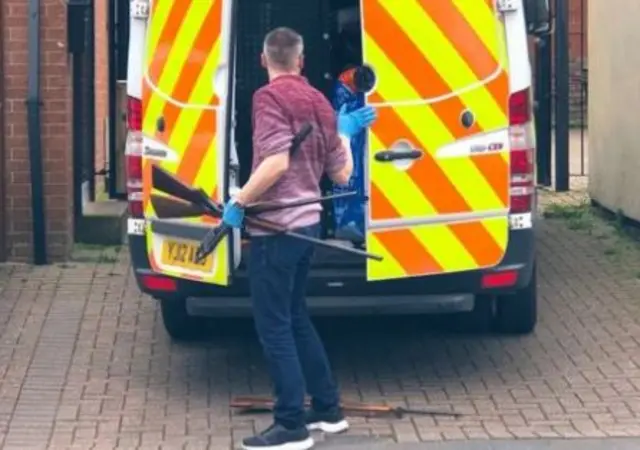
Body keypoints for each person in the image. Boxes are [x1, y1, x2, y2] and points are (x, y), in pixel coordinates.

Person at [221, 27, 377, 450]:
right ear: (301, 61)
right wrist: (344, 131)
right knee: (295, 317)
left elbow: (274, 163)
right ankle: (327, 410)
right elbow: (341, 175)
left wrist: (239, 201)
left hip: (277, 228)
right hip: (307, 225)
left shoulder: (268, 98)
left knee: (274, 328)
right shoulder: (318, 102)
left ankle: (290, 425)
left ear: (263, 60)